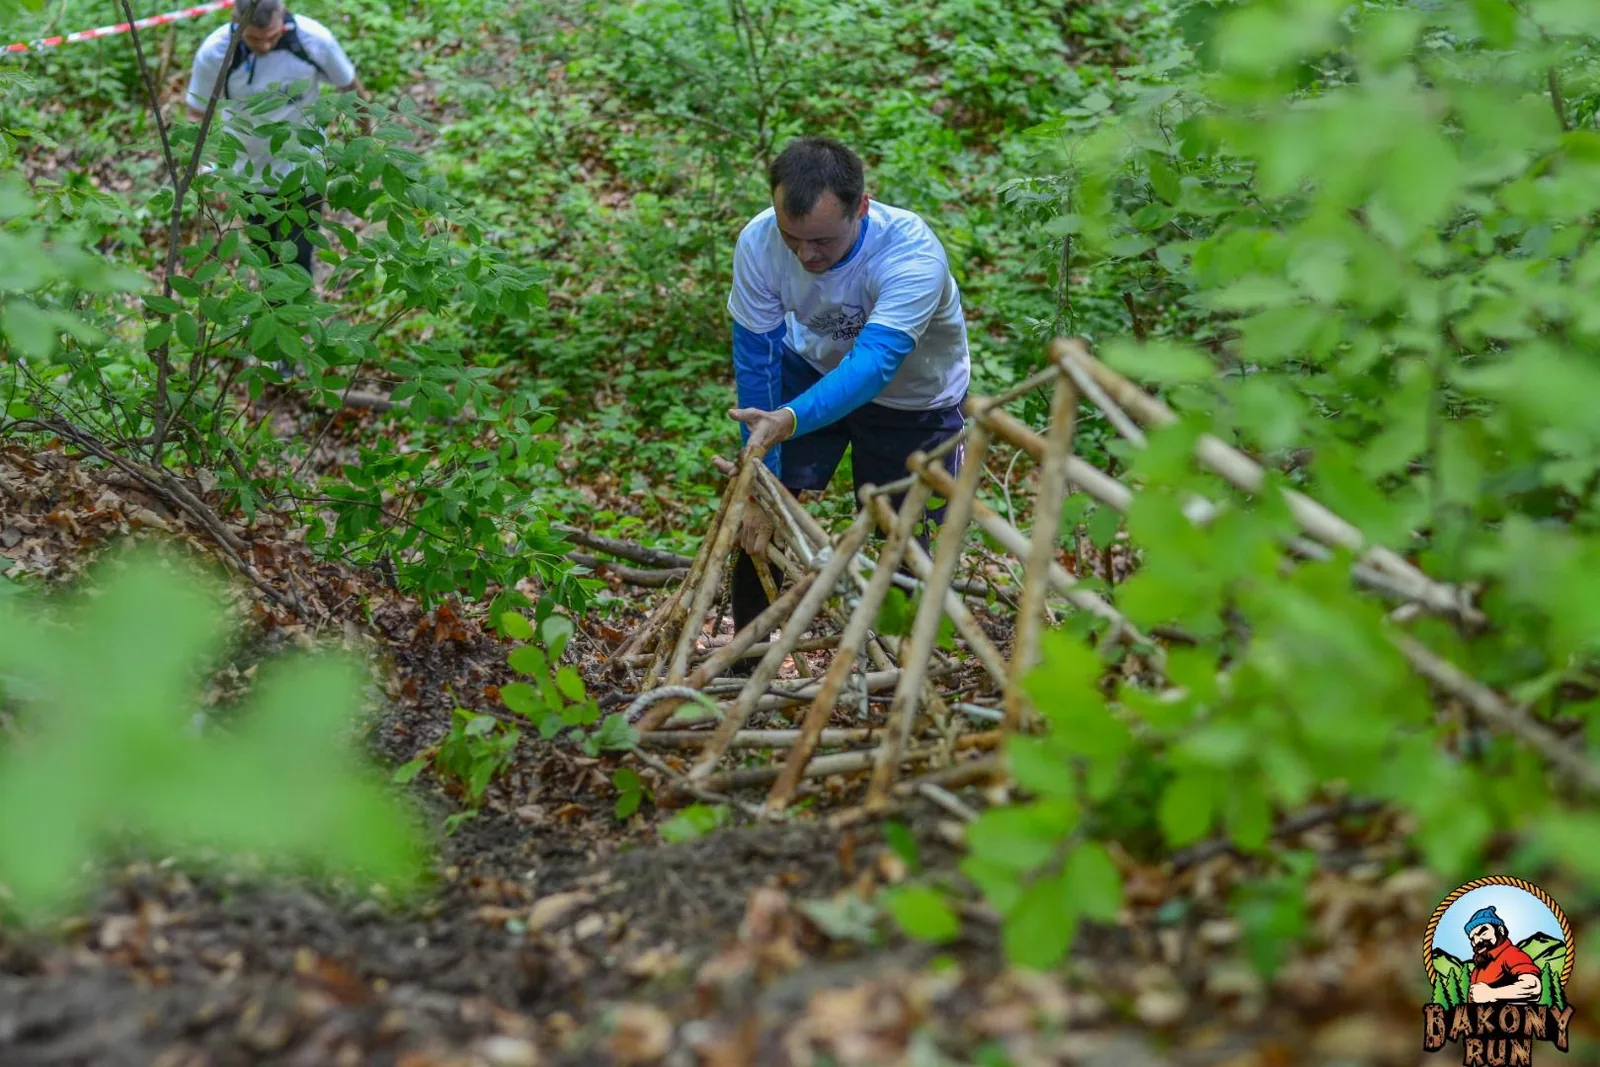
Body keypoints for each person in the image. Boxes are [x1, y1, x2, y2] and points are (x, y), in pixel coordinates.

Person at [725, 136, 972, 645]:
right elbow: (757, 360)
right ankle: (746, 660)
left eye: (823, 241)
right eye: (792, 237)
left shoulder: (911, 254)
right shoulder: (759, 241)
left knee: (904, 543)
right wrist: (763, 485)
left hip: (913, 401)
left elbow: (874, 366)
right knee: (758, 520)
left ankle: (901, 675)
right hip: (809, 372)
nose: (805, 254)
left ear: (862, 206)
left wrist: (788, 420)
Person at [185, 0, 366, 285]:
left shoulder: (314, 40)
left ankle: (297, 317)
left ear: (284, 17)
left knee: (299, 256)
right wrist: (205, 170)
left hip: (304, 169)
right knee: (265, 257)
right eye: (254, 38)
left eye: (273, 36)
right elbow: (196, 114)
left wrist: (365, 139)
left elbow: (351, 89)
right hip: (247, 174)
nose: (265, 46)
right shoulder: (216, 52)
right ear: (236, 22)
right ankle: (272, 320)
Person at [1464, 905, 1542, 1004]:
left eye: (1483, 933)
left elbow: (1533, 987)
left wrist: (1491, 994)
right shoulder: (1478, 968)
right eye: (1472, 938)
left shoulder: (1511, 954)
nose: (1477, 941)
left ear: (1500, 930)